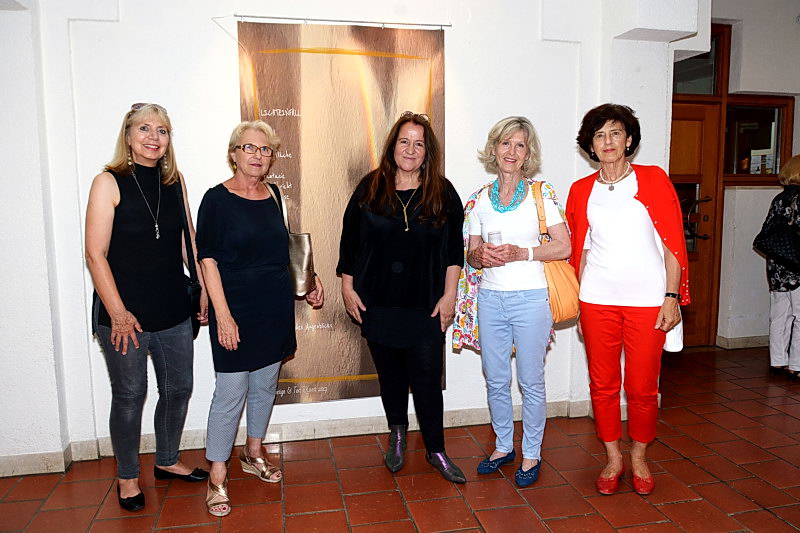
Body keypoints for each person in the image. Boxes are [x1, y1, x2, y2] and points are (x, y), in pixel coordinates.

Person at [85, 103, 210, 512]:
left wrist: (203, 290)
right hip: (124, 314)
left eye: (162, 130)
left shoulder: (175, 182)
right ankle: (127, 477)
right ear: (128, 135)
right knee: (129, 395)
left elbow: (189, 241)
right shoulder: (108, 182)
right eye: (144, 128)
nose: (154, 137)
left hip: (173, 308)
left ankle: (167, 460)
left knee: (179, 389)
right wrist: (119, 313)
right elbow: (94, 254)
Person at [196, 120, 323, 517]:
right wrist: (223, 316)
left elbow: (286, 248)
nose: (258, 155)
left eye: (265, 149)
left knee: (266, 384)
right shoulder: (216, 199)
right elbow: (207, 260)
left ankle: (254, 452)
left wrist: (311, 279)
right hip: (234, 307)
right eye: (249, 147)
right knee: (230, 392)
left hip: (274, 305)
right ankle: (217, 474)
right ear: (234, 153)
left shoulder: (274, 195)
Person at [565, 103, 689, 496]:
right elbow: (581, 251)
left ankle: (638, 456)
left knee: (642, 387)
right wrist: (578, 302)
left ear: (629, 139)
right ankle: (612, 458)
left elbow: (672, 245)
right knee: (602, 384)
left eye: (615, 133)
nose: (607, 141)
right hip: (596, 299)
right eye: (599, 135)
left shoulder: (653, 179)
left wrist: (671, 297)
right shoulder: (581, 190)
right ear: (590, 145)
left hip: (648, 299)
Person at [337, 112, 466, 483]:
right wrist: (347, 286)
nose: (410, 150)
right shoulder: (370, 187)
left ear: (428, 151)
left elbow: (453, 252)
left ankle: (436, 449)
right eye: (404, 141)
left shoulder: (442, 192)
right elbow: (350, 241)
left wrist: (450, 295)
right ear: (392, 146)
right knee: (390, 378)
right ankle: (397, 434)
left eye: (418, 143)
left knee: (427, 382)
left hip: (425, 306)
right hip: (377, 303)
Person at [452, 116, 570, 487]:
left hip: (532, 299)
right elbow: (471, 254)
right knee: (496, 379)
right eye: (506, 143)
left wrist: (523, 253)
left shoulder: (541, 194)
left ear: (528, 153)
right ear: (494, 149)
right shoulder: (479, 199)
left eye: (520, 145)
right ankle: (503, 446)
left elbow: (563, 246)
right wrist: (479, 256)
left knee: (530, 381)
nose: (512, 151)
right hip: (490, 300)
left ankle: (531, 453)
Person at [758, 155, 800, 379]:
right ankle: (797, 364)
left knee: (780, 314)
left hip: (777, 264)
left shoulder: (779, 198)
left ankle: (777, 361)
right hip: (797, 265)